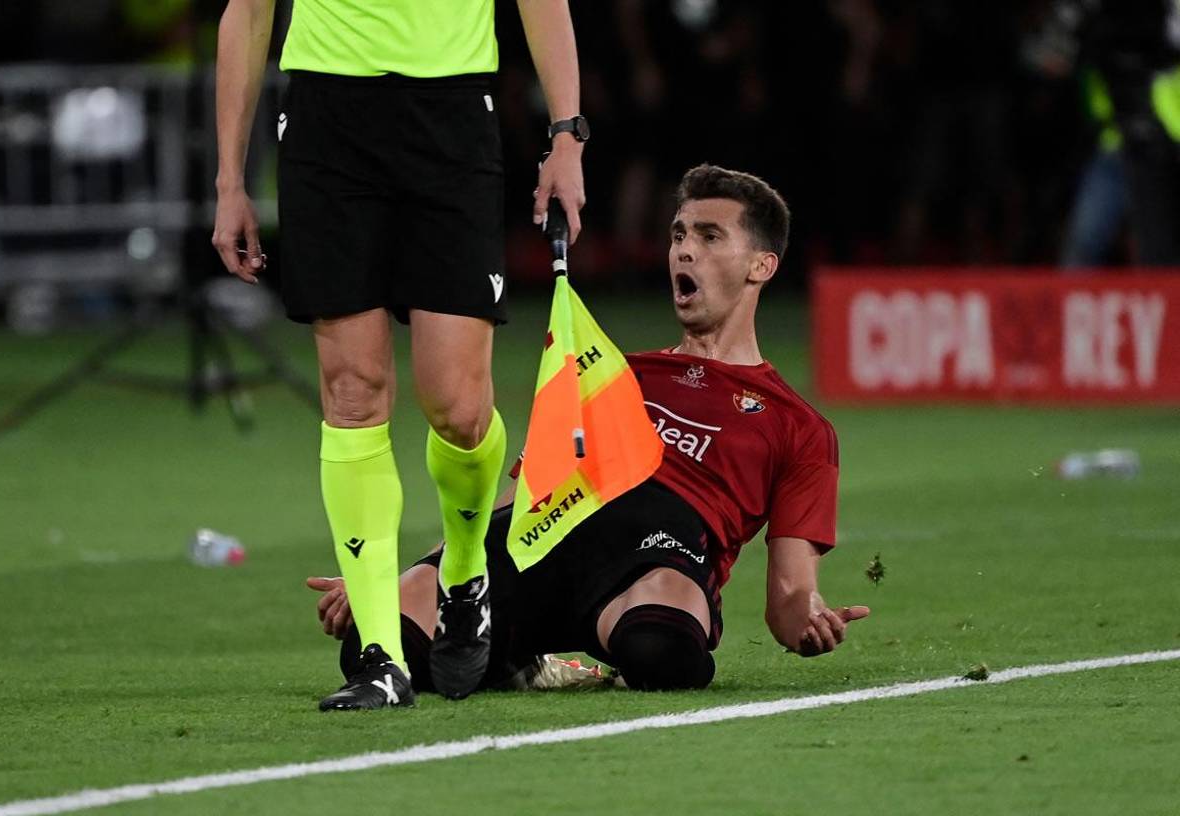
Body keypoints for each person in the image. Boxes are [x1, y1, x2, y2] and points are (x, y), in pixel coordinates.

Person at [308, 165, 869, 704]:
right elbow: (519, 497)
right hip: (550, 528)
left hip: (655, 554)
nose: (684, 250)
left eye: (709, 236)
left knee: (663, 654)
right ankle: (522, 662)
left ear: (761, 266)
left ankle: (581, 648)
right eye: (678, 234)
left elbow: (789, 596)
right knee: (377, 646)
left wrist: (807, 620)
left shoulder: (798, 426)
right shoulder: (608, 372)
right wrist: (383, 580)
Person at [211, 0, 588, 710]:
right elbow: (248, 12)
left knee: (459, 409)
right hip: (327, 117)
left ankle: (465, 572)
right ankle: (381, 660)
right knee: (352, 392)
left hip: (449, 114)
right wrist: (231, 181)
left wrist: (566, 135)